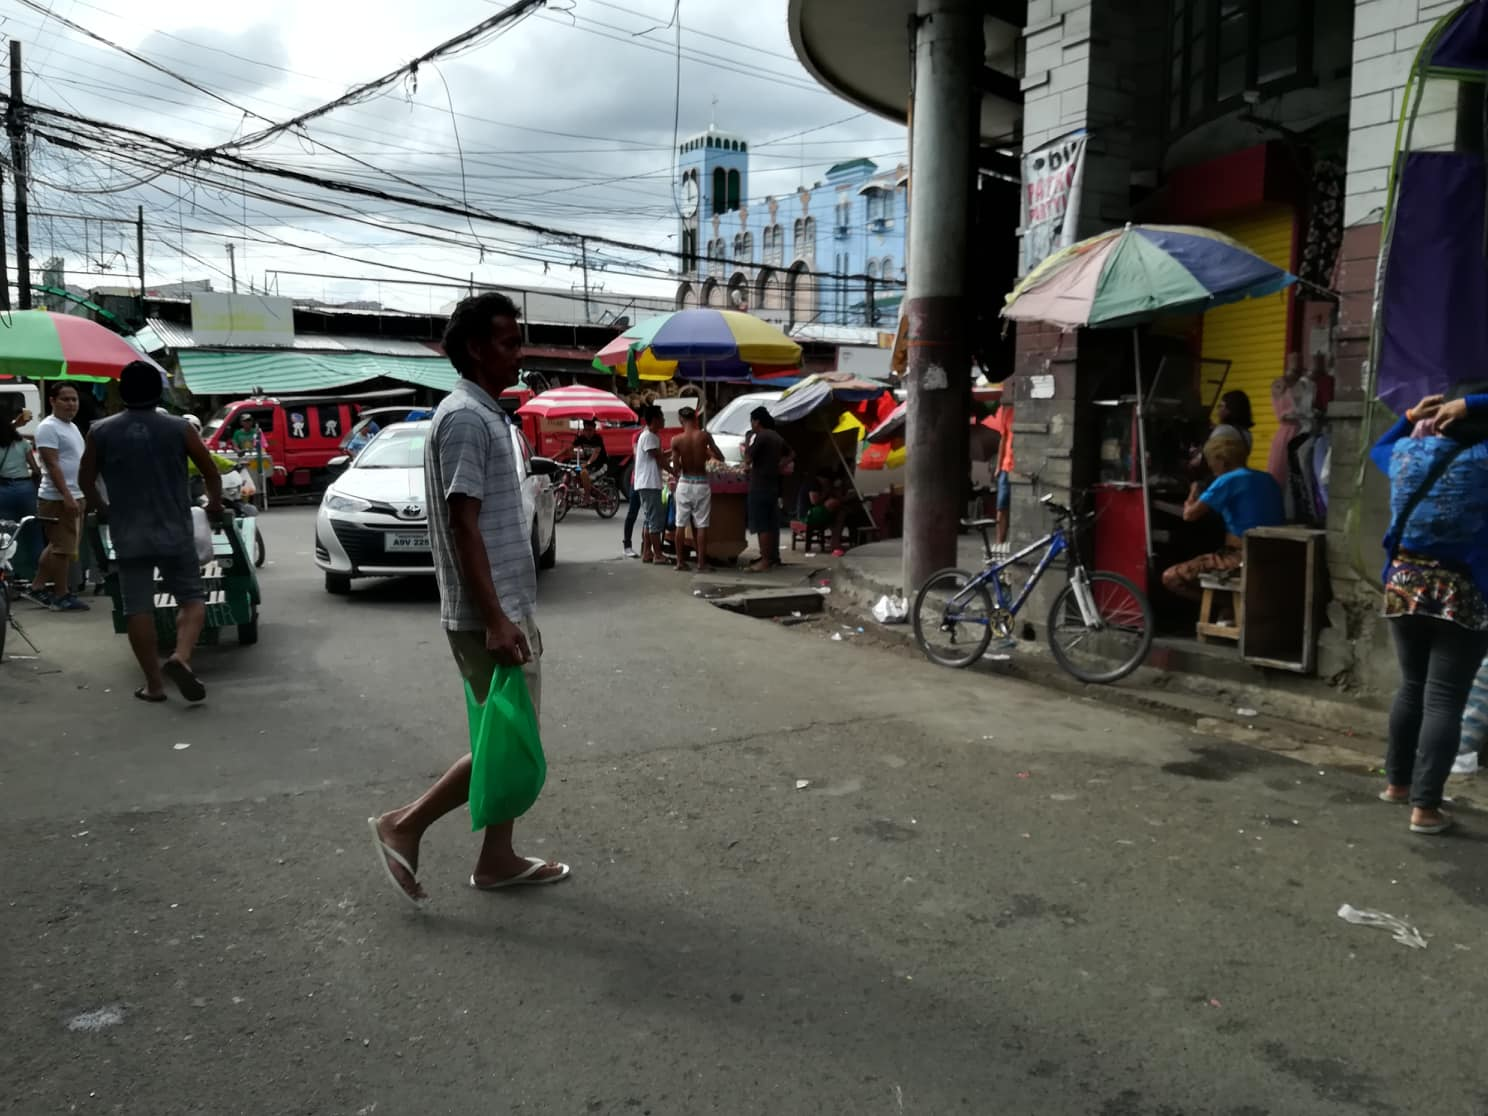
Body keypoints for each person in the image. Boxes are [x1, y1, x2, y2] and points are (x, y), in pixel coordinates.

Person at [369, 291, 569, 904]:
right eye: (509, 342)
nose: (519, 353)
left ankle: (497, 858)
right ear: (478, 349)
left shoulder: (486, 415)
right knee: (509, 742)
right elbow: (463, 523)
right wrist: (495, 618)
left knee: (508, 738)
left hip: (505, 608)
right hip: (492, 614)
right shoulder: (464, 418)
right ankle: (404, 825)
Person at [1370, 389, 1488, 835]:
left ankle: (1397, 784)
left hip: (1403, 582)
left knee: (1413, 686)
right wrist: (1475, 404)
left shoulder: (1406, 453)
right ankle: (1426, 808)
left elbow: (1377, 447)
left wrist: (1409, 415)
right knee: (1444, 698)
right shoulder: (1482, 460)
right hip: (1460, 588)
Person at [78, 362, 222, 703]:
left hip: (129, 533)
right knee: (191, 599)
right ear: (158, 392)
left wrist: (102, 506)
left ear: (123, 392)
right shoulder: (180, 428)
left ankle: (154, 685)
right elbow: (210, 470)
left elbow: (85, 480)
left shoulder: (100, 431)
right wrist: (214, 503)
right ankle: (181, 657)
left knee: (137, 608)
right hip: (174, 529)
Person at [1160, 433, 1283, 602]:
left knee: (1171, 577)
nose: (1211, 467)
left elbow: (1189, 515)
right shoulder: (1267, 479)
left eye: (1211, 462)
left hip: (1240, 559)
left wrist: (1193, 492)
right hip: (1273, 555)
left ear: (1222, 460)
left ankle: (1226, 604)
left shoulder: (1227, 479)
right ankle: (1228, 609)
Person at [23, 382, 89, 611]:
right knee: (63, 550)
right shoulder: (48, 427)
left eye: (74, 399)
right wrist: (67, 495)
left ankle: (38, 587)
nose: (71, 404)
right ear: (52, 401)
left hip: (75, 493)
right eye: (65, 399)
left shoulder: (71, 427)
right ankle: (61, 595)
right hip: (58, 497)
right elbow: (52, 465)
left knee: (57, 545)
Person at [669, 405, 723, 572]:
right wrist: (706, 451)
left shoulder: (676, 440)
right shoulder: (704, 436)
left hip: (684, 484)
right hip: (701, 484)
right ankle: (701, 564)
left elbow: (676, 468)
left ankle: (680, 562)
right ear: (695, 418)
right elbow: (720, 457)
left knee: (680, 524)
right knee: (701, 525)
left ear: (681, 420)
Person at [744, 405, 792, 572]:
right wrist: (778, 466)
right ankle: (771, 557)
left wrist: (746, 442)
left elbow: (748, 459)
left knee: (762, 524)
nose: (751, 424)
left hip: (760, 485)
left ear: (757, 421)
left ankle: (765, 561)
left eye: (751, 421)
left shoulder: (761, 436)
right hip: (772, 485)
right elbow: (792, 454)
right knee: (771, 524)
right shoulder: (776, 436)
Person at [0, 401, 41, 575]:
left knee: (8, 535)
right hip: (25, 489)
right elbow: (36, 469)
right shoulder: (23, 444)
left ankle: (13, 576)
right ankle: (38, 574)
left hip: (3, 490)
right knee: (32, 530)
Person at [632, 406, 666, 563]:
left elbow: (659, 455)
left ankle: (647, 552)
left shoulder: (648, 436)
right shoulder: (650, 436)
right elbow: (659, 458)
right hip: (649, 483)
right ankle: (658, 554)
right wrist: (673, 471)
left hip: (645, 483)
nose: (664, 420)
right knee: (654, 521)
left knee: (648, 519)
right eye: (661, 417)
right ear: (654, 420)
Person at [987, 401, 1015, 544]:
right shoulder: (1008, 412)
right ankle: (999, 541)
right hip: (1006, 466)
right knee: (1002, 505)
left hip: (1020, 468)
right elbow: (1003, 439)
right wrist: (998, 465)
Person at [571, 416, 610, 501]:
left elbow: (595, 453)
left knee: (584, 473)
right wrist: (555, 457)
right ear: (583, 430)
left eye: (590, 430)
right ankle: (579, 492)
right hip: (589, 465)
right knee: (572, 471)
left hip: (600, 465)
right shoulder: (581, 438)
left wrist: (587, 463)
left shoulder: (598, 438)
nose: (588, 433)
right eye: (586, 430)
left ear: (594, 430)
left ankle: (587, 496)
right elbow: (569, 448)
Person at [1213, 390, 1255, 457]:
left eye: (1221, 406)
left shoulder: (1223, 430)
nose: (1218, 409)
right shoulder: (1247, 434)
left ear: (1230, 409)